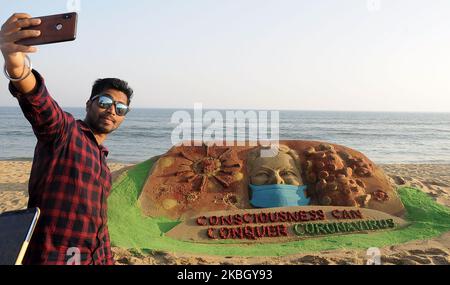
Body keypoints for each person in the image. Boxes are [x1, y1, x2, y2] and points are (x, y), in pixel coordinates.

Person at [0, 13, 134, 265]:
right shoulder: (65, 133)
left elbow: (97, 224)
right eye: (105, 102)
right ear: (89, 104)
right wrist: (17, 66)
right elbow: (40, 103)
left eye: (120, 108)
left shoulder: (102, 164)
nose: (111, 110)